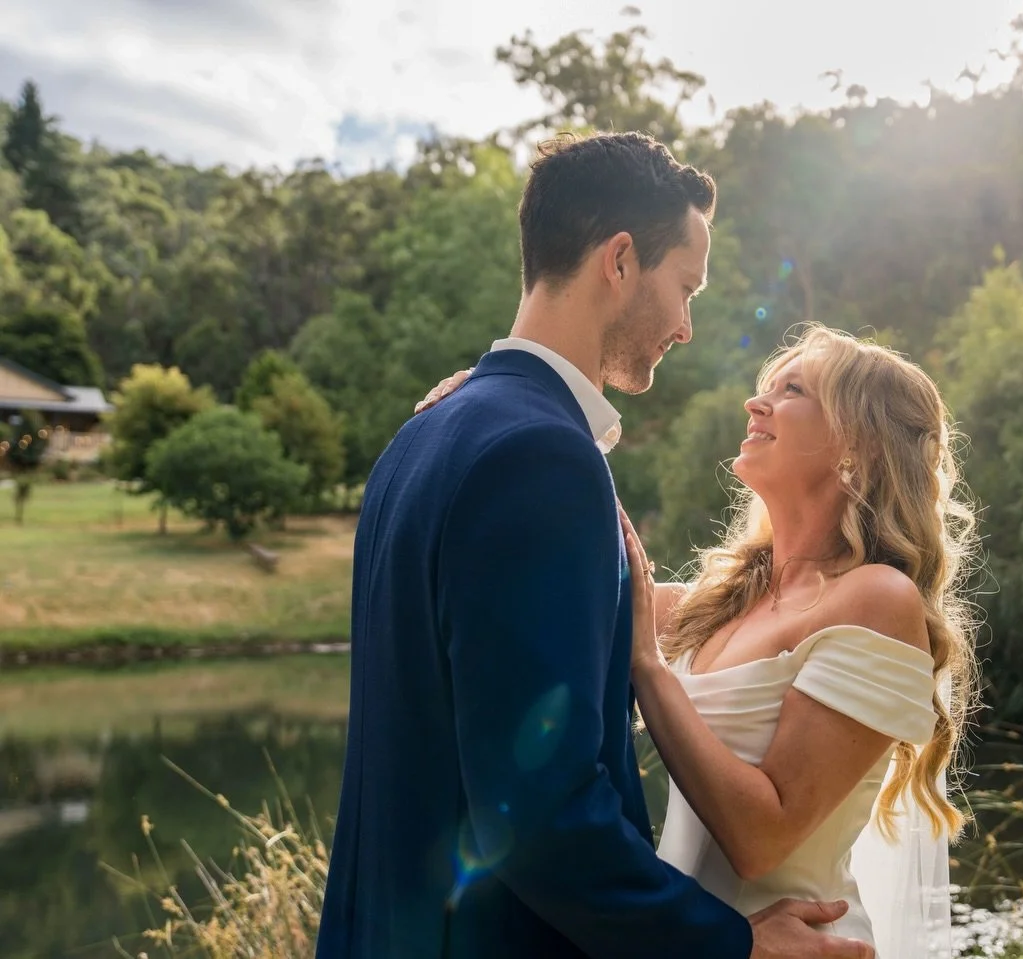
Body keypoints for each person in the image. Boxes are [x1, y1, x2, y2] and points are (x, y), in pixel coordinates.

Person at [316, 132, 873, 959]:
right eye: (685, 287)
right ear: (619, 261)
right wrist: (733, 945)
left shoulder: (421, 435)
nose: (686, 326)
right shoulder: (544, 457)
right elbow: (542, 811)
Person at [420, 325, 981, 957]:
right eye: (764, 386)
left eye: (792, 389)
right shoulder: (705, 607)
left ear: (857, 444)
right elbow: (566, 558)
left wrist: (649, 668)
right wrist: (495, 416)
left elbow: (761, 839)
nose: (756, 403)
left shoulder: (876, 599)